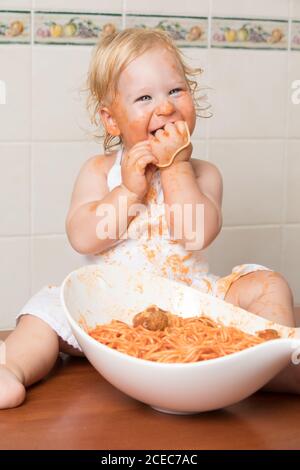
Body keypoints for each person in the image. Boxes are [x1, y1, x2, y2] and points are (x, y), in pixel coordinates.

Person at [0, 28, 298, 409]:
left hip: (190, 302)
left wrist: (175, 169)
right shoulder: (99, 172)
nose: (166, 107)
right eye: (145, 97)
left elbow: (195, 235)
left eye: (176, 90)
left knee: (268, 283)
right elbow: (83, 238)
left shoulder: (204, 174)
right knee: (44, 311)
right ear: (111, 120)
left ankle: (274, 358)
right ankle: (13, 368)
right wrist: (127, 192)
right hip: (106, 304)